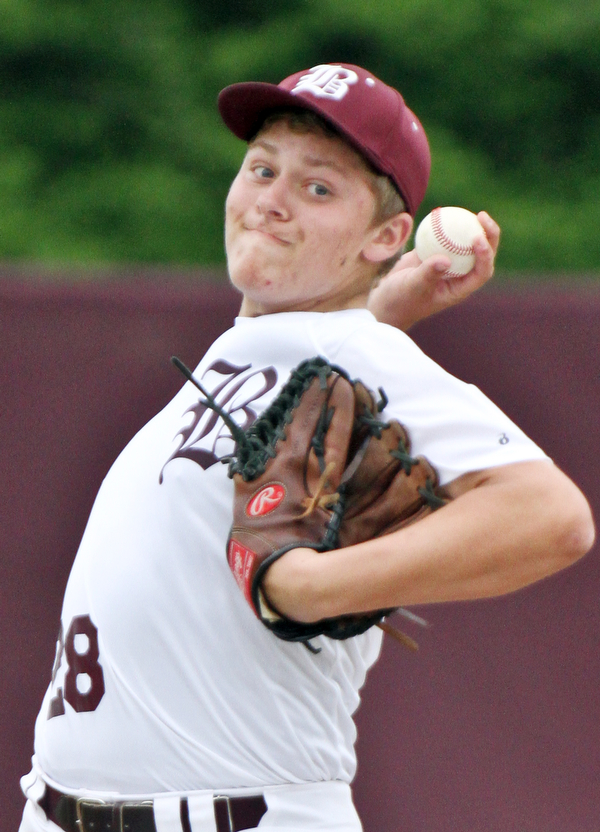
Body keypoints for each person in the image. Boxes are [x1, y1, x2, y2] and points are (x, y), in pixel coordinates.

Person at [19, 63, 594, 832]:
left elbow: (551, 516)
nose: (272, 200)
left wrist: (311, 586)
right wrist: (379, 309)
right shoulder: (277, 351)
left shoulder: (353, 354)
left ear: (387, 237)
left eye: (317, 188)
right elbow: (324, 353)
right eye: (262, 168)